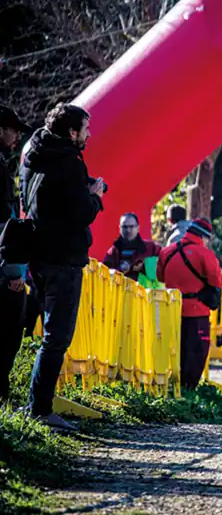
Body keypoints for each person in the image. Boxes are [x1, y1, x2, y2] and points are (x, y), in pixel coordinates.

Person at [18, 103, 104, 430]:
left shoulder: (34, 155)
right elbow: (81, 212)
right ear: (71, 132)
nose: (89, 135)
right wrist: (94, 195)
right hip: (63, 259)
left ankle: (33, 403)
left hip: (37, 256)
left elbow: (39, 200)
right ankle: (40, 409)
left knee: (45, 335)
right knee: (57, 337)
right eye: (85, 129)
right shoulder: (69, 162)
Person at [158, 218, 222, 390]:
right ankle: (188, 390)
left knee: (174, 351)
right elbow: (216, 281)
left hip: (171, 311)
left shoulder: (166, 252)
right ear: (204, 237)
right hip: (197, 312)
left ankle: (171, 387)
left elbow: (160, 277)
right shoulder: (205, 254)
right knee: (195, 353)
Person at [0, 105, 31, 403]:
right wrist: (12, 272)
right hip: (4, 269)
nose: (17, 136)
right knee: (10, 328)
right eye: (13, 130)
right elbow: (3, 224)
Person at [102, 213, 161, 282]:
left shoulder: (151, 248)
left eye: (131, 226)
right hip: (121, 288)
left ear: (138, 228)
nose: (128, 230)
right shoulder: (113, 251)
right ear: (119, 228)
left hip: (145, 288)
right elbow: (104, 274)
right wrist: (121, 270)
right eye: (124, 227)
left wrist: (143, 267)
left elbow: (162, 269)